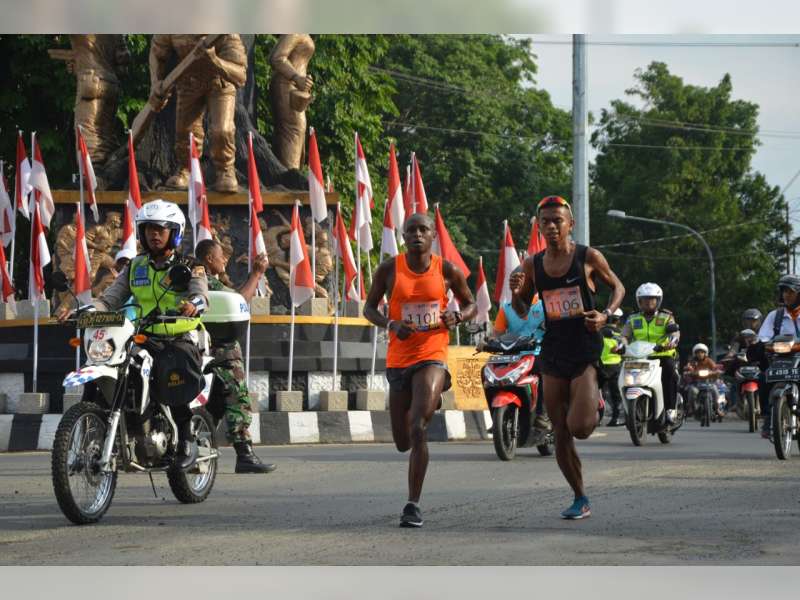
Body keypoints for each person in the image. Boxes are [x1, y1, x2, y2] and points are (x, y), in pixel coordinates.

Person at [56, 199, 208, 470]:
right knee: (111, 363)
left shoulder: (189, 264)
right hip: (142, 335)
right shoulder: (135, 266)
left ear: (175, 232)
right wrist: (82, 310)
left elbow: (201, 294)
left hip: (179, 335)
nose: (154, 234)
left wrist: (192, 304)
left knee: (172, 371)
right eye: (149, 228)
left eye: (161, 229)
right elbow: (110, 299)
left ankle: (186, 438)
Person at [511, 195, 625, 520]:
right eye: (545, 221)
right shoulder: (532, 264)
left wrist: (605, 314)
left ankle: (595, 402)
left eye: (557, 220)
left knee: (581, 428)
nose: (551, 226)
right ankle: (580, 497)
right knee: (560, 430)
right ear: (539, 226)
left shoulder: (587, 256)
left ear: (570, 224)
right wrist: (515, 291)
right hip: (554, 348)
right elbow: (521, 310)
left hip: (585, 346)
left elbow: (618, 287)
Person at [364, 213, 476, 528]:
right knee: (402, 440)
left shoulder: (448, 270)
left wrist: (458, 317)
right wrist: (391, 323)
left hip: (432, 353)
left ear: (432, 237)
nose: (417, 234)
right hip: (399, 358)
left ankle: (412, 504)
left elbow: (472, 304)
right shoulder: (389, 269)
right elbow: (369, 308)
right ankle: (427, 399)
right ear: (403, 236)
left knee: (418, 428)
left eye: (423, 229)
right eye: (410, 230)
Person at [195, 239, 276, 474]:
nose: (225, 260)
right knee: (237, 400)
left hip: (205, 351)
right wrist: (257, 274)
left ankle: (198, 449)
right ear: (209, 259)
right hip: (221, 353)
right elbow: (239, 300)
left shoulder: (205, 280)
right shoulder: (205, 281)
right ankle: (244, 455)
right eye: (221, 256)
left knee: (215, 405)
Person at [493, 269, 550, 431]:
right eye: (515, 280)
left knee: (544, 371)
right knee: (486, 371)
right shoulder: (506, 308)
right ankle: (495, 413)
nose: (518, 283)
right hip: (513, 356)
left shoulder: (544, 305)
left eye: (522, 280)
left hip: (538, 353)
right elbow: (496, 334)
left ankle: (542, 414)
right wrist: (488, 342)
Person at [621, 283, 680, 423]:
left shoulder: (666, 317)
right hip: (640, 357)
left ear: (658, 301)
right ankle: (627, 410)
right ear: (639, 301)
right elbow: (624, 335)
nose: (648, 302)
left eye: (652, 299)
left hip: (662, 356)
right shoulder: (633, 318)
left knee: (669, 372)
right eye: (645, 299)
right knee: (626, 376)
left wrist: (673, 340)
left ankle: (671, 409)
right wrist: (621, 345)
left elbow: (675, 332)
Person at [750, 275, 800, 438]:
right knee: (764, 378)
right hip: (781, 359)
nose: (786, 295)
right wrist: (762, 344)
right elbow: (763, 337)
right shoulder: (775, 316)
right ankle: (767, 416)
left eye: (790, 292)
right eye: (784, 291)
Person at [599, 308, 625, 426]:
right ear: (617, 320)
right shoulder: (621, 333)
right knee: (616, 393)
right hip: (615, 366)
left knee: (599, 392)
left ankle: (598, 418)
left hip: (600, 365)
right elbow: (624, 350)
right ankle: (616, 418)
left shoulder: (598, 331)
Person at [683, 343, 722, 417]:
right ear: (695, 354)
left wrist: (717, 371)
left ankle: (717, 409)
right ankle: (691, 408)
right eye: (698, 352)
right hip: (696, 384)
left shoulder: (709, 360)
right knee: (691, 391)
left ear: (705, 353)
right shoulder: (693, 361)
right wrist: (688, 370)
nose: (700, 354)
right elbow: (688, 367)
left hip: (709, 383)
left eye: (702, 352)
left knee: (715, 390)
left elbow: (714, 368)